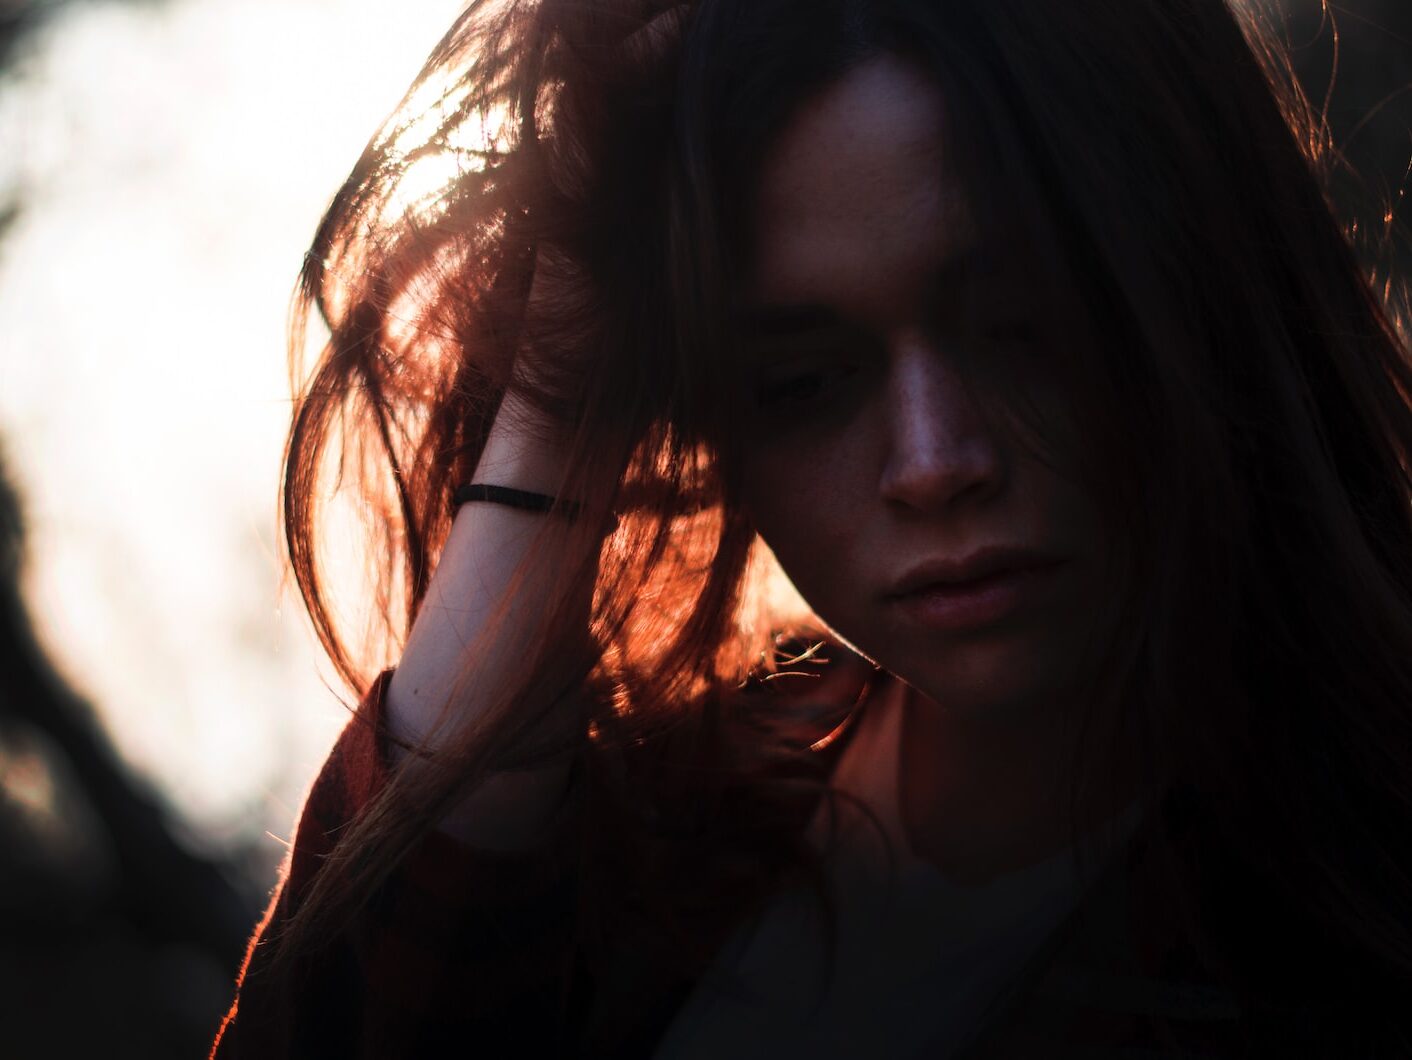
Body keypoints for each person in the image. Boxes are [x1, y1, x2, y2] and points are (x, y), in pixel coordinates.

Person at [210, 0, 1412, 1055]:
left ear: (1190, 284)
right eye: (801, 380)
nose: (934, 463)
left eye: (1020, 327)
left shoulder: (1352, 904)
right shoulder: (662, 836)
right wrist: (550, 409)